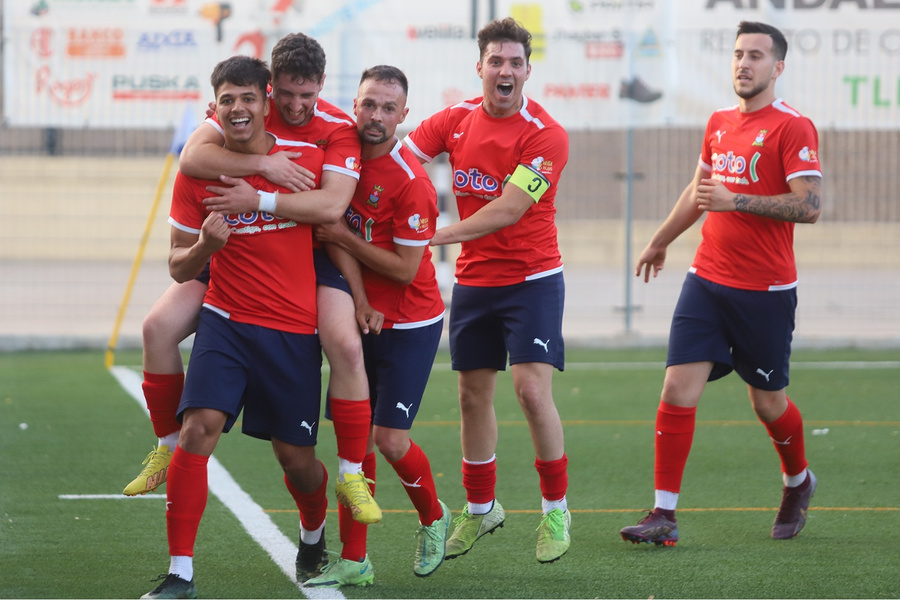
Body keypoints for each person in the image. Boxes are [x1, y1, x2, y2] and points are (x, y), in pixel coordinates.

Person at [124, 32, 383, 542]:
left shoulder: (333, 129)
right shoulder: (237, 104)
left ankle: (351, 475)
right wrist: (262, 168)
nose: (293, 104)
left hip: (309, 252)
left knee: (346, 346)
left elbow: (330, 208)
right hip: (232, 256)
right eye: (284, 94)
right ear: (271, 87)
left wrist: (258, 201)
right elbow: (192, 161)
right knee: (156, 327)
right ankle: (167, 444)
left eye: (305, 95)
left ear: (322, 88)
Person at [619, 21, 822, 547]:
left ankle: (798, 481)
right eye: (738, 54)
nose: (743, 63)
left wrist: (739, 202)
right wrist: (661, 239)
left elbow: (810, 206)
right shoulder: (717, 122)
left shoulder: (793, 128)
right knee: (676, 388)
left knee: (767, 403)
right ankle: (664, 514)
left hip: (766, 293)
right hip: (706, 280)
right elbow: (699, 190)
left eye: (756, 55)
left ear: (777, 67)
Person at [141, 55, 334, 600]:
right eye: (227, 99)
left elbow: (332, 207)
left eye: (248, 98)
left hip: (291, 330)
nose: (238, 108)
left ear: (267, 100)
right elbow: (178, 265)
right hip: (225, 321)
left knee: (296, 462)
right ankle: (180, 573)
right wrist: (207, 244)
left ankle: (314, 534)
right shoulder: (198, 170)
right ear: (215, 106)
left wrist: (268, 185)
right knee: (197, 428)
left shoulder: (302, 158)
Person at [403, 17, 571, 563]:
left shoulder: (546, 134)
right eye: (495, 61)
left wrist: (431, 235)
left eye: (514, 63)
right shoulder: (454, 121)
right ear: (479, 68)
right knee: (471, 396)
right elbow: (401, 161)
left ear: (527, 70)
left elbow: (510, 208)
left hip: (533, 280)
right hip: (476, 281)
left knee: (529, 390)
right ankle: (481, 511)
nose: (505, 70)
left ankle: (555, 510)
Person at [301, 65, 450, 588]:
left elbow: (407, 270)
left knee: (388, 439)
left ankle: (434, 518)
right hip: (358, 313)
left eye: (389, 108)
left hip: (410, 322)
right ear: (355, 105)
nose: (377, 116)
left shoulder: (411, 184)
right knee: (353, 441)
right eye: (369, 104)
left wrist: (341, 232)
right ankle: (356, 558)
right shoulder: (337, 156)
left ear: (404, 116)